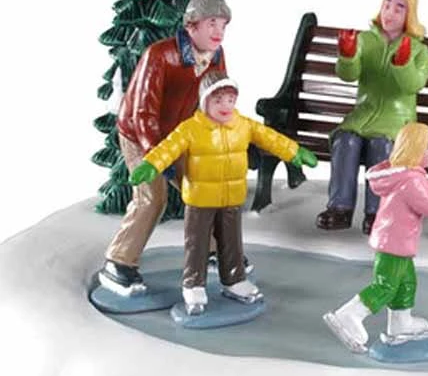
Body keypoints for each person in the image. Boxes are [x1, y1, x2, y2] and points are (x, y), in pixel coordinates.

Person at [130, 72, 318, 315]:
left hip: (231, 197)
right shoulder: (190, 129)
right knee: (197, 245)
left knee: (231, 243)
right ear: (205, 101)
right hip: (200, 200)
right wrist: (151, 164)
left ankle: (234, 280)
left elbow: (270, 138)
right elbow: (168, 147)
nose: (225, 106)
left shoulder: (243, 125)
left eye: (230, 100)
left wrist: (294, 151)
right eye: (218, 100)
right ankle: (193, 285)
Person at [98, 0, 233, 296]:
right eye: (212, 23)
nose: (219, 32)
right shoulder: (160, 55)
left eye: (223, 25)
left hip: (180, 133)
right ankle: (118, 261)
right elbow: (143, 112)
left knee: (205, 186)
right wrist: (159, 157)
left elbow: (215, 100)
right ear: (192, 25)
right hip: (140, 134)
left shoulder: (216, 56)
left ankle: (213, 252)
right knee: (152, 196)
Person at [322, 122, 428, 353]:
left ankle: (401, 322)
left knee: (406, 283)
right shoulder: (409, 181)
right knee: (386, 286)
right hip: (394, 244)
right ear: (415, 149)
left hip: (397, 242)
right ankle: (348, 315)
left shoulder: (407, 175)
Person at [316, 0, 428, 235]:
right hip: (362, 115)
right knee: (345, 141)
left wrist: (403, 64)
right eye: (386, 5)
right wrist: (348, 55)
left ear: (409, 15)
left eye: (399, 8)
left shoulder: (419, 51)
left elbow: (413, 85)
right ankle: (340, 208)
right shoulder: (366, 40)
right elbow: (348, 75)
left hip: (396, 120)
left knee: (382, 146)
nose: (390, 13)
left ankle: (377, 211)